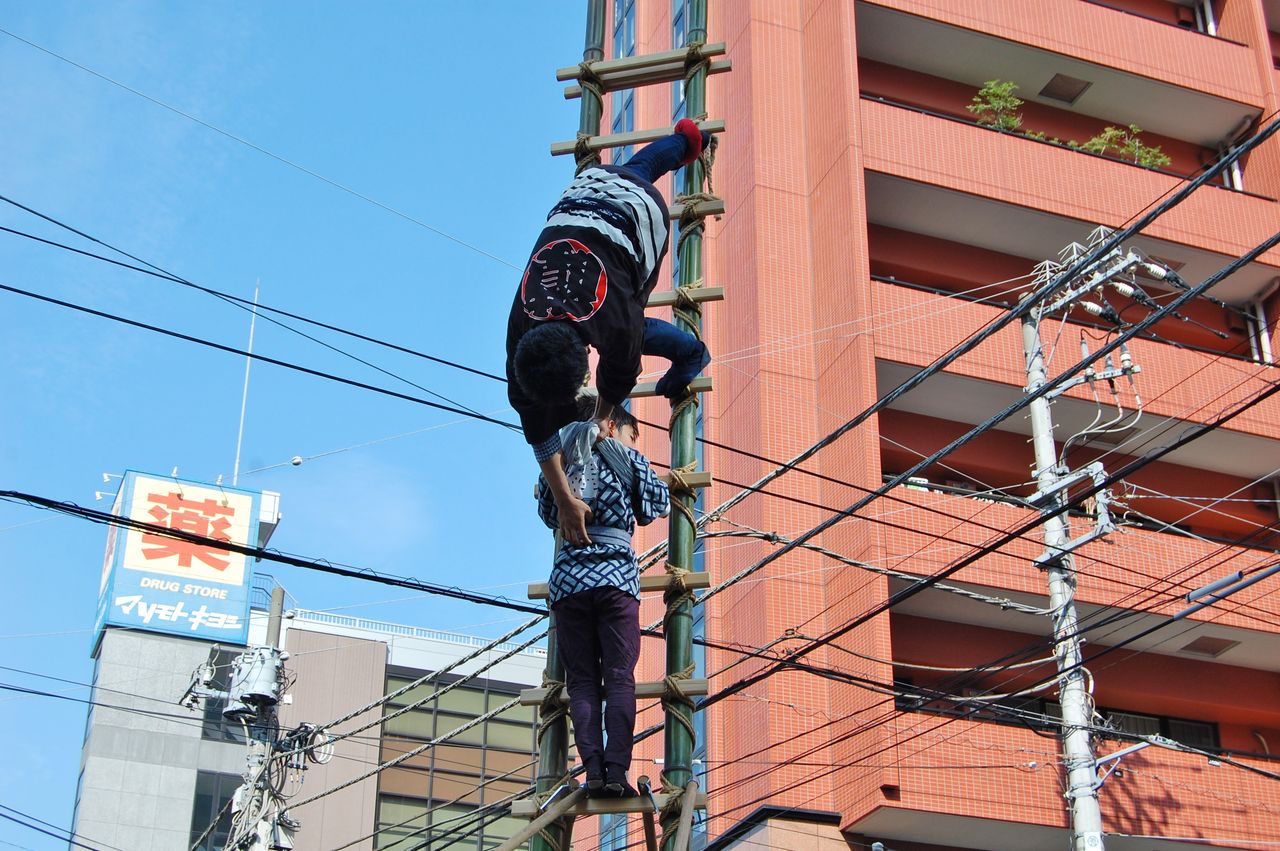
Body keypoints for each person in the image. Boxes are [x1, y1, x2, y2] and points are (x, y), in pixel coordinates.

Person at [507, 118, 712, 549]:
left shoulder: (614, 320)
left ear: (587, 356)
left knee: (637, 329)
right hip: (586, 193)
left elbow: (616, 380)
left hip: (637, 217)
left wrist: (601, 418)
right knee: (636, 169)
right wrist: (565, 500)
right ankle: (687, 142)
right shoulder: (520, 338)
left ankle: (692, 354)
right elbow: (539, 435)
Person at [535, 395, 670, 797]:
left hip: (569, 582)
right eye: (630, 434)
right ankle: (616, 772)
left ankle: (592, 771)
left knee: (581, 683)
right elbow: (657, 505)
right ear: (611, 426)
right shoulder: (627, 459)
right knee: (619, 678)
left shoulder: (559, 461)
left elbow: (548, 514)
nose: (631, 442)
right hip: (615, 579)